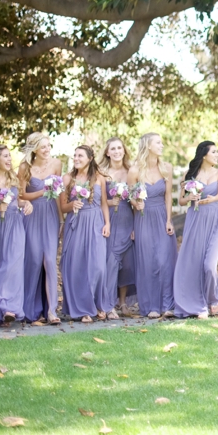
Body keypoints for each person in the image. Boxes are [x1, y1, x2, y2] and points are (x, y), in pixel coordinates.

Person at [174, 141, 218, 318]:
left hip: (213, 219)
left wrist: (211, 200)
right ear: (204, 155)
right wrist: (190, 197)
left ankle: (213, 298)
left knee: (210, 265)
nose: (217, 155)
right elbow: (181, 201)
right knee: (194, 262)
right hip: (195, 219)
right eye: (214, 152)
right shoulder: (190, 174)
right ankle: (196, 302)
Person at [59, 145, 110, 323]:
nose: (76, 158)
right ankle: (83, 309)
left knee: (98, 267)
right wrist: (71, 205)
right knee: (77, 267)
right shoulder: (67, 178)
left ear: (90, 158)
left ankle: (97, 303)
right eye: (75, 155)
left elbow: (104, 203)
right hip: (76, 224)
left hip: (96, 223)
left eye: (80, 155)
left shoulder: (99, 178)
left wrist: (107, 223)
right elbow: (62, 206)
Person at [129, 133, 177, 319]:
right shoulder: (135, 171)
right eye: (158, 142)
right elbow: (130, 198)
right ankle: (151, 306)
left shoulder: (166, 168)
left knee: (165, 261)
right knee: (148, 263)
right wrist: (136, 204)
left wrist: (169, 220)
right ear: (148, 146)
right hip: (143, 218)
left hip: (162, 217)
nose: (162, 145)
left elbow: (168, 196)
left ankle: (167, 305)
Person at [18, 132, 62, 325]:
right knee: (34, 260)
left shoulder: (56, 164)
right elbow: (21, 195)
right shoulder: (24, 167)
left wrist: (61, 219)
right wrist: (41, 192)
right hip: (32, 215)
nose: (47, 149)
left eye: (49, 146)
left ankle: (52, 310)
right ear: (34, 149)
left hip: (51, 215)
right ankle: (31, 309)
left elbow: (58, 194)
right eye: (43, 146)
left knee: (50, 261)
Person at [0, 144, 32, 326]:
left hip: (15, 225)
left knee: (13, 264)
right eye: (5, 156)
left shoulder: (13, 178)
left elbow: (18, 200)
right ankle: (0, 312)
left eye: (9, 156)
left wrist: (26, 204)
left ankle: (9, 307)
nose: (9, 159)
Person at [98, 137, 134, 319]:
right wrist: (110, 202)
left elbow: (137, 200)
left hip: (128, 220)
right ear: (107, 152)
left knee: (126, 265)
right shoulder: (102, 173)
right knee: (111, 262)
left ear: (124, 150)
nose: (117, 151)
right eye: (113, 148)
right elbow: (97, 199)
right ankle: (108, 304)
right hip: (109, 220)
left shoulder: (131, 171)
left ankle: (123, 302)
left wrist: (136, 226)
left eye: (119, 148)